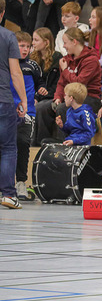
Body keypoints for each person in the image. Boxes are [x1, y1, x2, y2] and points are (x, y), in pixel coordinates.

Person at [34, 26, 102, 146]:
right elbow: (61, 83)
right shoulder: (66, 59)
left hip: (88, 97)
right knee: (42, 107)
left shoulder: (91, 60)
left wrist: (65, 70)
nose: (64, 46)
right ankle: (40, 144)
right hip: (69, 97)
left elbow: (79, 83)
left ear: (74, 42)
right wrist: (57, 97)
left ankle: (65, 142)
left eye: (65, 43)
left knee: (63, 108)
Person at [0, 0, 26, 209]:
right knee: (8, 147)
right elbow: (16, 72)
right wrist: (23, 99)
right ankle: (8, 194)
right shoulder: (8, 36)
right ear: (2, 14)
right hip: (3, 100)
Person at [10, 31, 42, 200]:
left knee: (22, 143)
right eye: (21, 45)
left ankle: (21, 182)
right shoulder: (5, 64)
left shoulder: (33, 66)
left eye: (27, 46)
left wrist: (38, 95)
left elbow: (40, 85)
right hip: (7, 110)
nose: (24, 49)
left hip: (27, 112)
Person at [31, 27, 62, 103]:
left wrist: (40, 97)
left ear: (46, 42)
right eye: (33, 39)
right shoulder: (31, 57)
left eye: (36, 40)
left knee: (39, 107)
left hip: (49, 96)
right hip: (34, 94)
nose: (33, 43)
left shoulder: (57, 58)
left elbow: (57, 83)